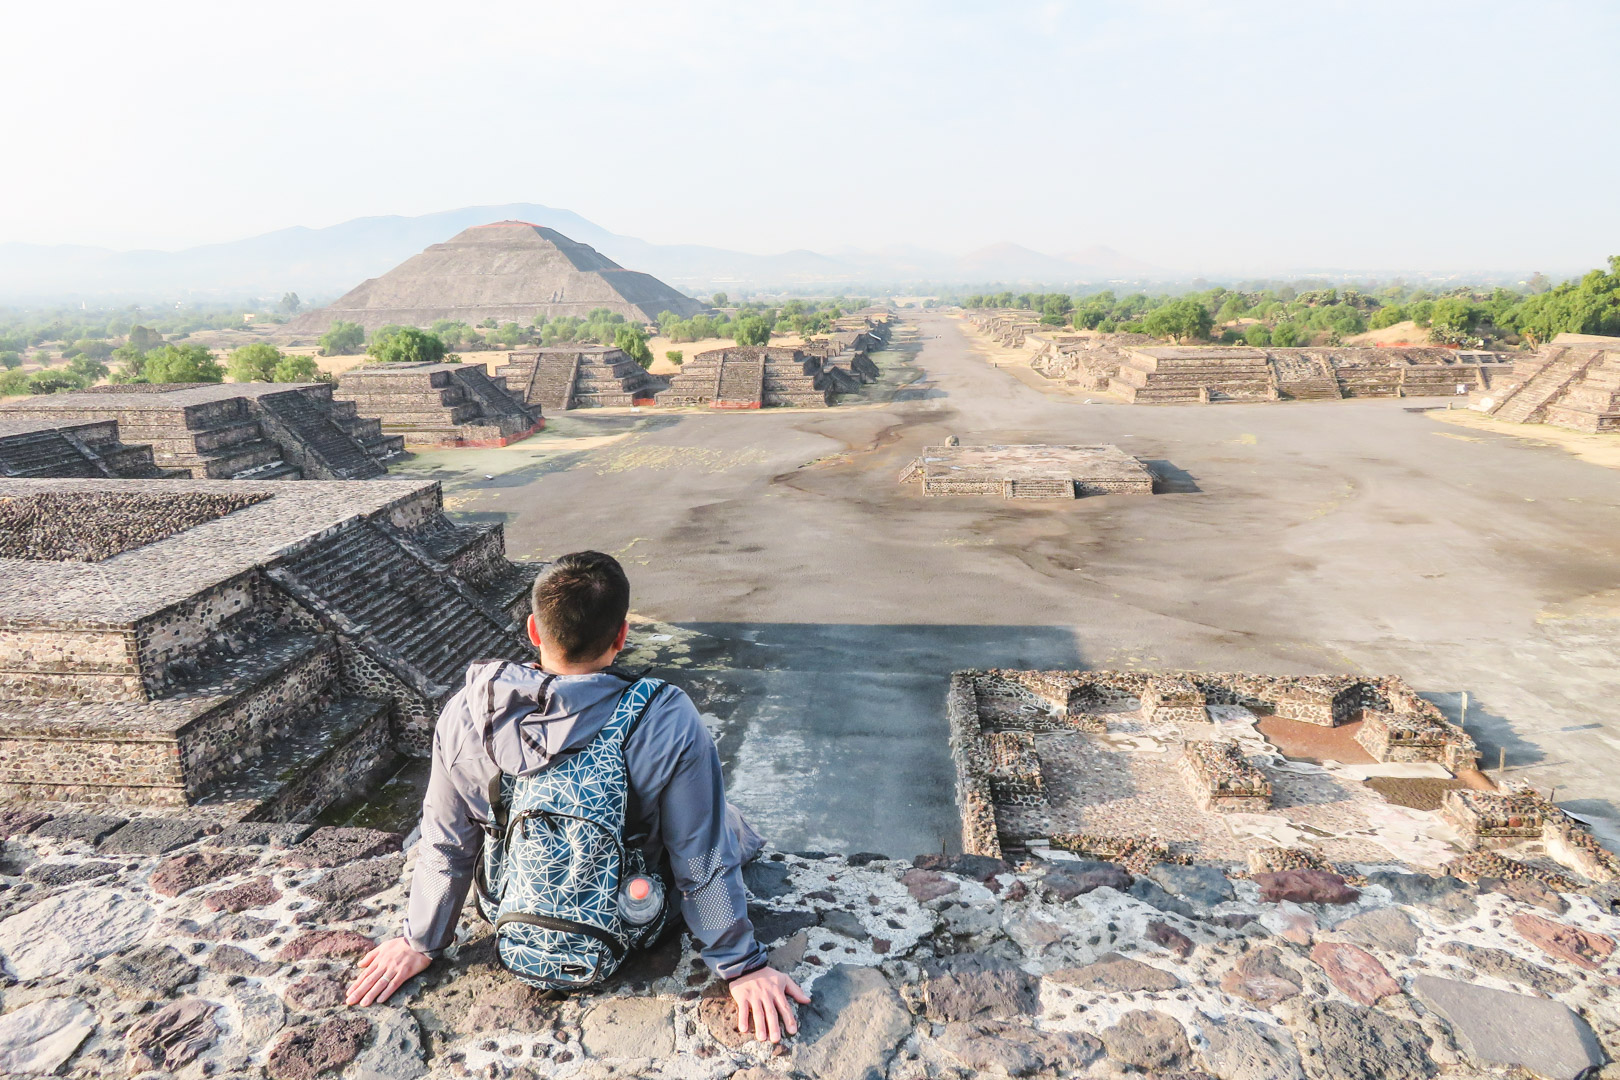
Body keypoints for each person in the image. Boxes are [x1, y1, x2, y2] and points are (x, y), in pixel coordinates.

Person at [346, 551, 809, 1043]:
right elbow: (702, 859)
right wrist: (742, 966)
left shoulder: (468, 711)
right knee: (724, 821)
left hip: (514, 912)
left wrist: (422, 939)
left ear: (533, 631)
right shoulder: (665, 717)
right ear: (621, 636)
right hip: (628, 920)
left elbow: (446, 843)